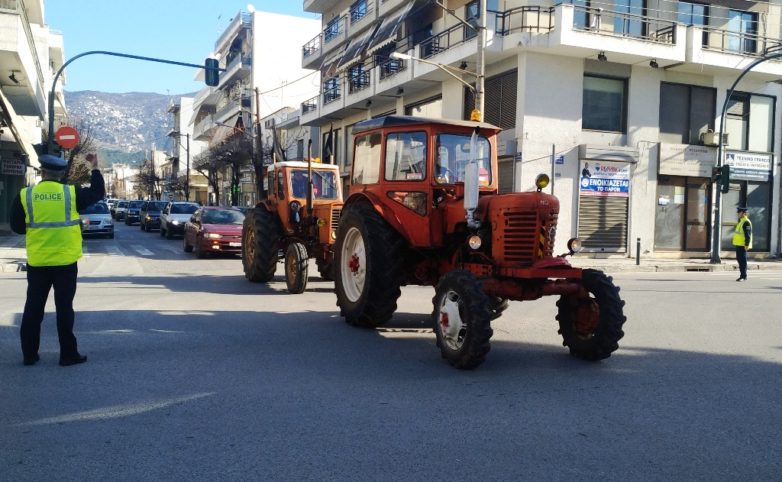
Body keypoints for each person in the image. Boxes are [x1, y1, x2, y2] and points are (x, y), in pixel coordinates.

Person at [10, 153, 105, 366]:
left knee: (33, 308)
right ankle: (68, 354)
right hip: (65, 262)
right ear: (62, 174)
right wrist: (95, 167)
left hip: (38, 262)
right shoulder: (71, 193)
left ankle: (29, 354)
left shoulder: (26, 195)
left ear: (42, 172)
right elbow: (98, 192)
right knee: (64, 308)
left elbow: (16, 227)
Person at [733, 206, 752, 282]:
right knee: (740, 260)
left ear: (744, 213)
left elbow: (748, 235)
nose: (737, 213)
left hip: (743, 245)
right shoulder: (741, 221)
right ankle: (742, 275)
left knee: (742, 261)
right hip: (739, 244)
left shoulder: (746, 222)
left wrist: (746, 245)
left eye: (739, 212)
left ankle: (743, 276)